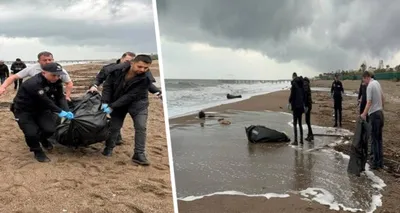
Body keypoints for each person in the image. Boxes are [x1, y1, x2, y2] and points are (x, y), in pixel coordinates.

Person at [89, 52, 162, 145]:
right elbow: (103, 81)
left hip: (132, 101)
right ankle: (113, 141)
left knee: (138, 126)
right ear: (122, 59)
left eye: (145, 68)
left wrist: (158, 92)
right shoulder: (112, 69)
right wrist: (95, 86)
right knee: (114, 123)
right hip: (115, 98)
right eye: (127, 61)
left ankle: (122, 142)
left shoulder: (141, 71)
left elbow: (147, 85)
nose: (128, 63)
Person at [12, 62, 75, 162]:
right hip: (23, 110)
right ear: (43, 73)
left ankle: (42, 138)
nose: (56, 77)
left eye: (59, 75)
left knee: (50, 129)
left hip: (41, 109)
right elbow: (46, 101)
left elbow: (60, 97)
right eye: (53, 75)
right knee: (31, 133)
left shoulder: (56, 81)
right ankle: (37, 151)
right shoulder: (33, 83)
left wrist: (67, 110)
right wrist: (60, 112)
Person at [101, 55, 154, 165]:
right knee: (115, 127)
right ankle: (108, 148)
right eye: (140, 66)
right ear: (132, 63)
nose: (142, 70)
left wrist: (112, 106)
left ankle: (139, 154)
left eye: (145, 68)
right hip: (118, 103)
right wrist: (105, 102)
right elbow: (108, 86)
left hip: (138, 104)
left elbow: (131, 96)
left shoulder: (146, 78)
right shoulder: (116, 71)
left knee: (141, 127)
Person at [0, 51, 74, 101]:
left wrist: (67, 96)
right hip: (37, 95)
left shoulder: (59, 70)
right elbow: (13, 77)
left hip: (52, 95)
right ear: (39, 61)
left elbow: (69, 83)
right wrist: (3, 87)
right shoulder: (32, 68)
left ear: (53, 60)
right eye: (44, 60)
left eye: (50, 60)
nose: (48, 62)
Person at [361, 71, 384, 170]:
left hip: (374, 115)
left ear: (366, 77)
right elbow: (383, 97)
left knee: (374, 140)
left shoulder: (370, 86)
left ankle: (375, 163)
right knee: (379, 139)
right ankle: (380, 162)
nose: (364, 82)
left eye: (363, 79)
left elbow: (369, 102)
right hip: (380, 113)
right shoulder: (377, 83)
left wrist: (363, 114)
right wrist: (381, 107)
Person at [288, 72, 306, 145]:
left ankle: (296, 141)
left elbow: (292, 95)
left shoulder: (294, 84)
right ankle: (301, 140)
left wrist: (289, 102)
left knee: (295, 123)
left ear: (293, 77)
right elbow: (304, 95)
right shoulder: (301, 84)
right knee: (300, 123)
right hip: (301, 106)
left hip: (295, 106)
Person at [303, 77, 314, 142]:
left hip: (307, 105)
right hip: (309, 105)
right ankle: (310, 135)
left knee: (307, 121)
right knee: (307, 121)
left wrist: (305, 106)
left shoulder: (305, 86)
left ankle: (311, 135)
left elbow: (306, 96)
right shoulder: (308, 86)